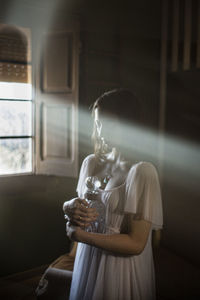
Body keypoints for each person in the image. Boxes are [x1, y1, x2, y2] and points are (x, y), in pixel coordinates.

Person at [63, 89, 163, 300]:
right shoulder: (91, 163)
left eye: (108, 124)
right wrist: (68, 206)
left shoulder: (142, 172)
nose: (100, 132)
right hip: (88, 260)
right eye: (98, 124)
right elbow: (83, 208)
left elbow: (136, 243)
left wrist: (81, 236)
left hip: (120, 269)